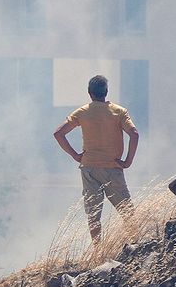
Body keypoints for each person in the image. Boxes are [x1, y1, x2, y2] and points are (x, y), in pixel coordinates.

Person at [53, 75, 138, 244]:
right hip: (113, 168)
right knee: (127, 212)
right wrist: (128, 161)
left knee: (93, 215)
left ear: (89, 93)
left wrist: (75, 155)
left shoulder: (82, 112)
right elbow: (134, 134)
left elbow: (58, 133)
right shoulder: (119, 112)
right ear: (106, 92)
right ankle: (134, 244)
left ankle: (98, 251)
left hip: (89, 168)